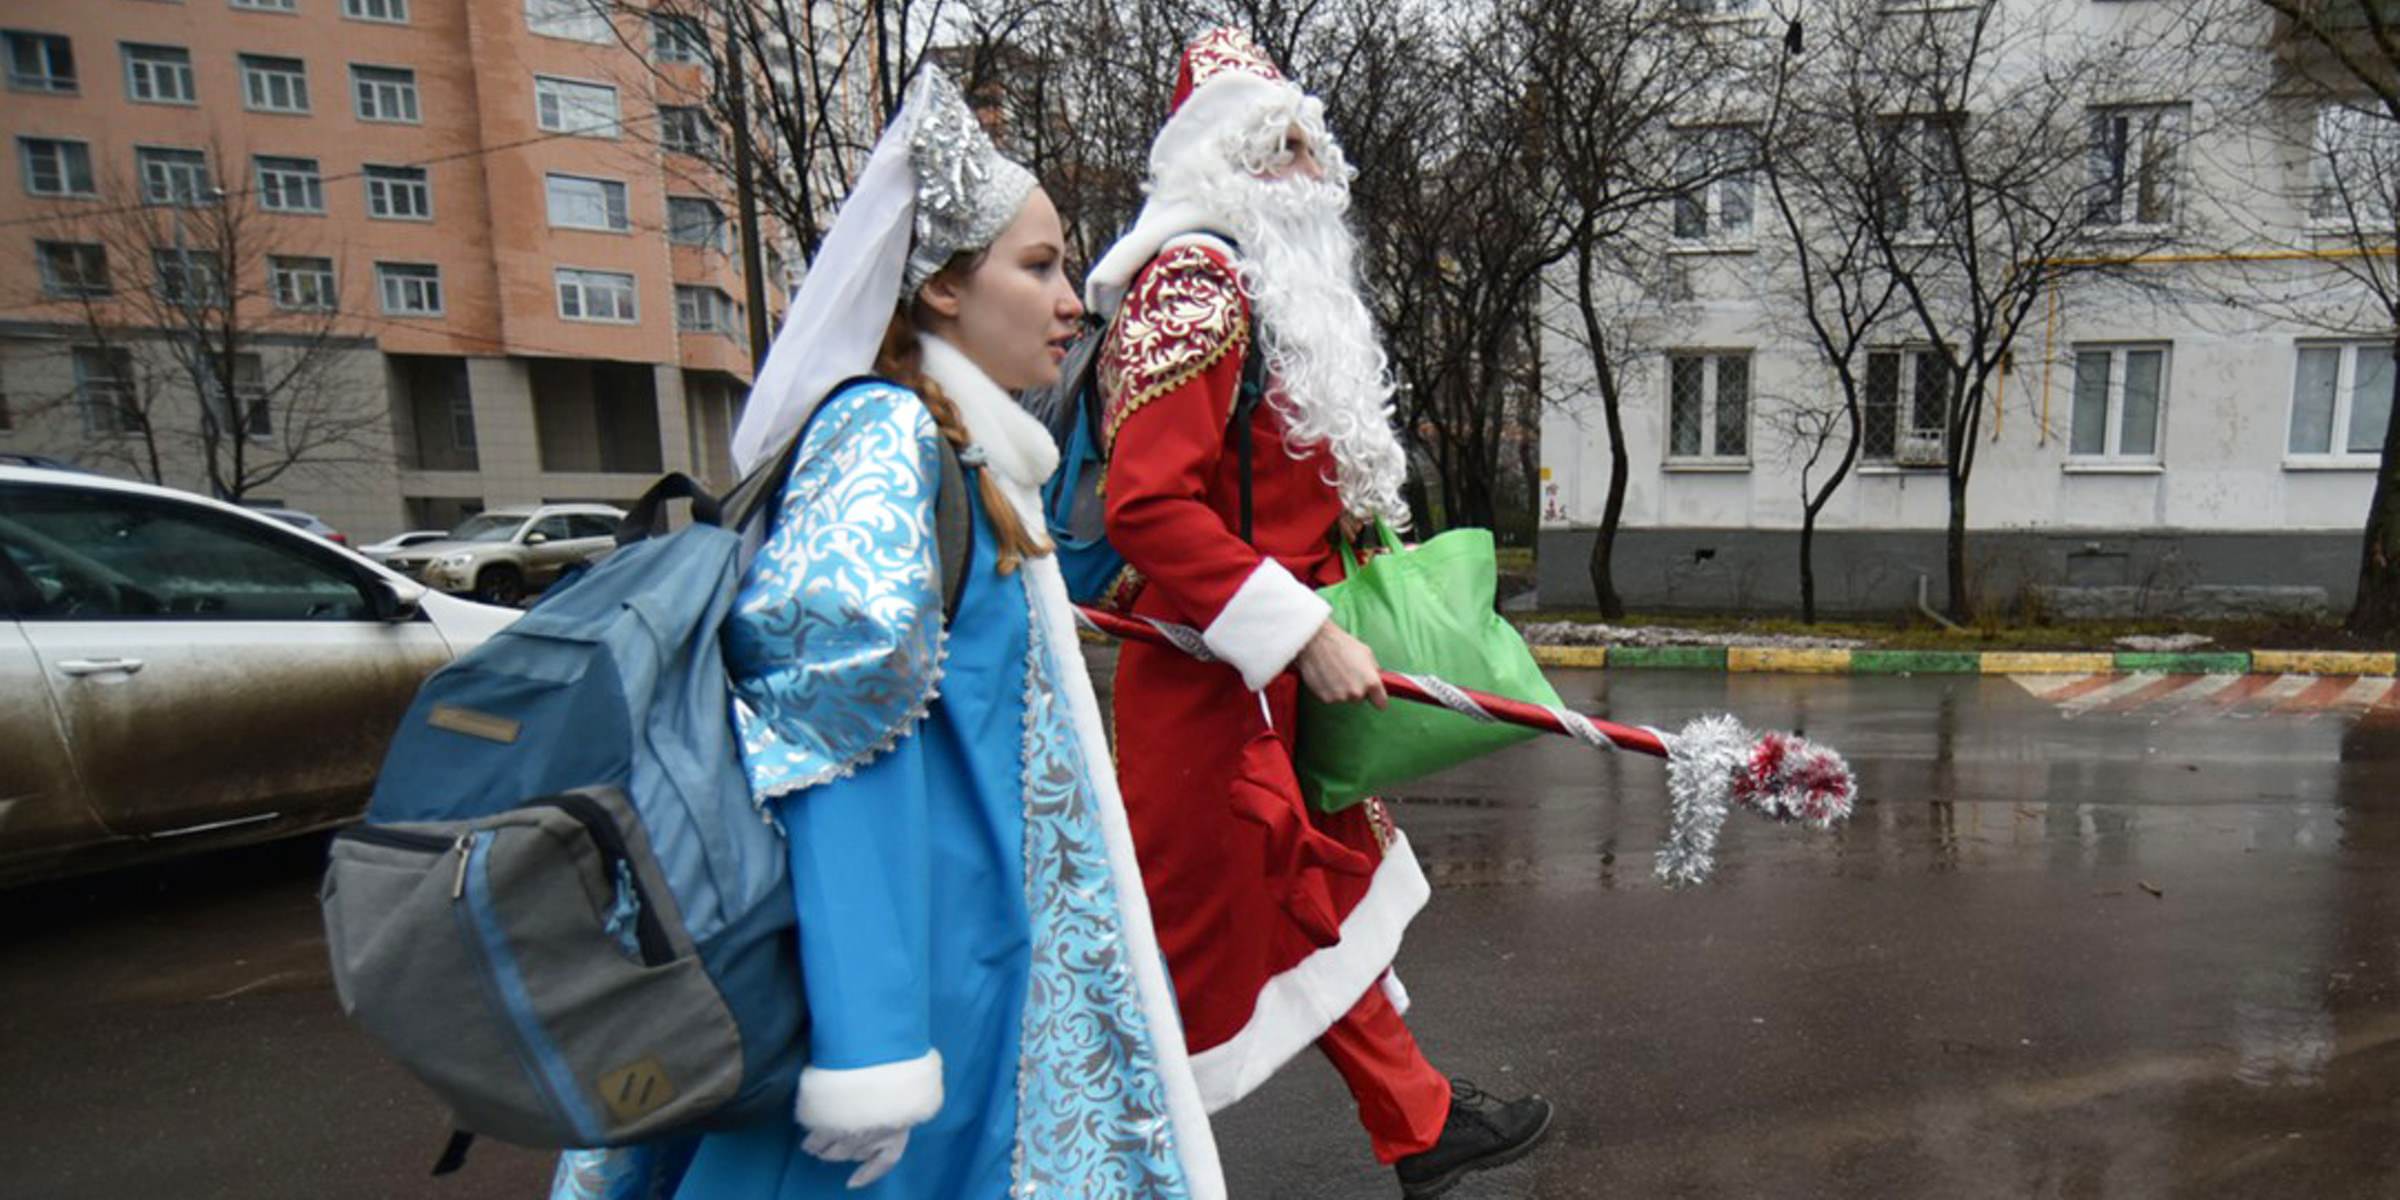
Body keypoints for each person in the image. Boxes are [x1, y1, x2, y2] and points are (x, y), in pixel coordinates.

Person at [552, 67, 1222, 1200]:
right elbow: (830, 741)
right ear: (943, 290)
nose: (1073, 301)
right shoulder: (884, 436)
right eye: (1040, 265)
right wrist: (870, 1051)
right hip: (912, 1012)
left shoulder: (967, 455)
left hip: (967, 969)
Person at [1085, 28, 1554, 1200]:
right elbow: (1147, 504)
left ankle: (1424, 1122)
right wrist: (1297, 627)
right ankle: (1089, 1165)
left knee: (1318, 894)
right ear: (1217, 163)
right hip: (1210, 685)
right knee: (1181, 958)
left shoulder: (1268, 288)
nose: (1308, 167)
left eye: (1309, 140)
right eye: (1276, 144)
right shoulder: (1196, 283)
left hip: (1270, 685)